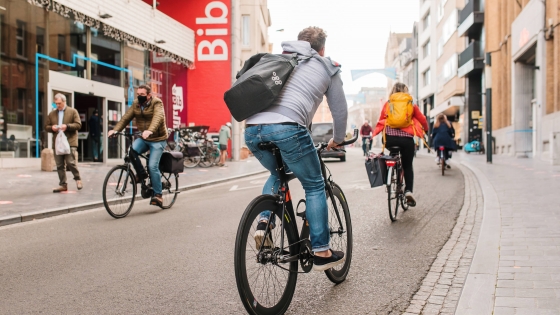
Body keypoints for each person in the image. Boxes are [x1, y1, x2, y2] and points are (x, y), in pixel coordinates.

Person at [244, 26, 348, 271]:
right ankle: (322, 251)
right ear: (322, 49)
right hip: (288, 127)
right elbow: (340, 110)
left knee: (276, 174)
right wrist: (338, 139)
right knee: (314, 185)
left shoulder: (278, 58)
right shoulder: (326, 66)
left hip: (252, 129)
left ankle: (264, 224)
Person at [108, 84, 168, 207]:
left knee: (152, 166)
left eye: (142, 95)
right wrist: (115, 130)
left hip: (158, 139)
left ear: (149, 95)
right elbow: (125, 118)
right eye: (138, 95)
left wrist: (150, 130)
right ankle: (141, 174)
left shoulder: (157, 103)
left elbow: (158, 117)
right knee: (132, 151)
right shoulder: (136, 104)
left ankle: (158, 195)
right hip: (144, 138)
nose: (139, 97)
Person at [373, 82, 428, 207]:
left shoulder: (388, 103)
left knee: (392, 156)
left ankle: (390, 176)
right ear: (405, 91)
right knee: (407, 165)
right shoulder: (410, 103)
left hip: (390, 139)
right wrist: (426, 129)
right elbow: (422, 119)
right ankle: (408, 191)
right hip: (407, 141)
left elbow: (382, 119)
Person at [45, 94, 83, 193]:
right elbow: (46, 126)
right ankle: (63, 184)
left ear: (64, 102)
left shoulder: (73, 111)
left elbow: (78, 125)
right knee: (59, 165)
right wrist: (51, 128)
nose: (58, 105)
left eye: (59, 103)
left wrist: (67, 126)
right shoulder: (52, 114)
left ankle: (78, 179)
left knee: (70, 162)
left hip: (70, 141)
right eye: (56, 103)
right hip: (57, 142)